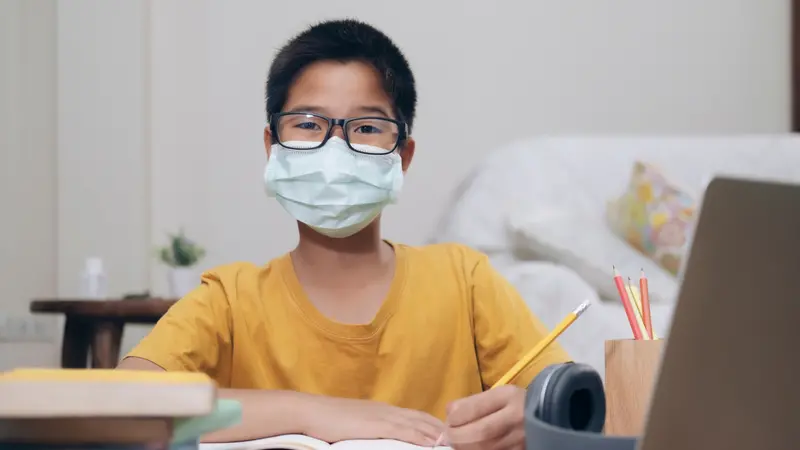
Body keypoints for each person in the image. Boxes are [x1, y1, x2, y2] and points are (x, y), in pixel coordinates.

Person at [118, 18, 570, 449]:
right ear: (272, 147)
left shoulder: (464, 281)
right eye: (310, 124)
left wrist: (533, 415)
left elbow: (572, 404)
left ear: (402, 156)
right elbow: (126, 403)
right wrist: (311, 412)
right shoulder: (230, 300)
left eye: (368, 127)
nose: (335, 149)